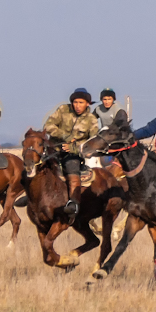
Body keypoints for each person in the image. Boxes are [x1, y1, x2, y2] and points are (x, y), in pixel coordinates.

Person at [44, 88, 100, 218]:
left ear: (88, 103)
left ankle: (73, 203)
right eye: (75, 102)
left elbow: (93, 143)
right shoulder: (63, 110)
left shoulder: (91, 120)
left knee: (72, 169)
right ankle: (29, 197)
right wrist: (64, 136)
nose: (77, 105)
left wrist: (75, 148)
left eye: (81, 102)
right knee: (36, 165)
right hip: (54, 150)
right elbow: (48, 126)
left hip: (73, 155)